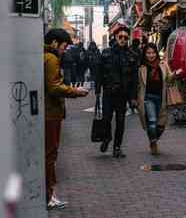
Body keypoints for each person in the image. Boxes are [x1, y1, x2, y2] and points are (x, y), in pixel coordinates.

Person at [43, 28, 88, 210]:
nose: (64, 49)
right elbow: (54, 87)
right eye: (64, 46)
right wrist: (75, 91)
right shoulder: (51, 58)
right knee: (50, 154)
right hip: (51, 112)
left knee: (48, 154)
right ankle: (48, 195)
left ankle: (48, 193)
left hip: (46, 111)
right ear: (54, 43)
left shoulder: (43, 55)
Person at [96, 27, 139, 158]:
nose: (123, 40)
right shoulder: (106, 53)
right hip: (108, 92)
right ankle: (107, 138)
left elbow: (134, 79)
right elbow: (99, 72)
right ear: (115, 37)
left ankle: (117, 147)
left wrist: (133, 97)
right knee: (106, 118)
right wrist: (97, 90)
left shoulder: (132, 55)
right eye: (120, 37)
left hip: (123, 94)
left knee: (120, 121)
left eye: (126, 37)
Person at [136, 43, 180, 155]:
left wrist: (175, 74)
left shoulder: (163, 65)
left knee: (161, 125)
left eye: (153, 53)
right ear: (145, 54)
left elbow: (169, 80)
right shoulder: (141, 67)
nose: (151, 55)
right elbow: (136, 84)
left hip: (161, 97)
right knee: (152, 121)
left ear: (156, 53)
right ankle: (153, 142)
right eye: (148, 53)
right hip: (147, 98)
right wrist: (134, 99)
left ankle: (153, 139)